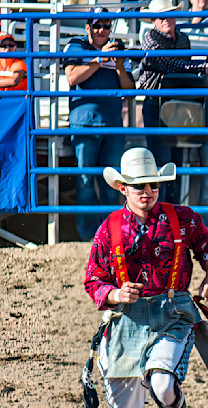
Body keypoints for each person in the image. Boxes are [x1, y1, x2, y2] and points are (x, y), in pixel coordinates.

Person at [83, 148, 208, 408]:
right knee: (122, 398)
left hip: (173, 310)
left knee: (162, 383)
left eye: (153, 185)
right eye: (139, 185)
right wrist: (116, 293)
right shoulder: (110, 229)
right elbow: (94, 279)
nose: (147, 192)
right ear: (124, 189)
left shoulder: (182, 218)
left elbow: (207, 246)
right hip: (128, 317)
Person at [136, 0, 208, 205]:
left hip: (178, 104)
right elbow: (166, 61)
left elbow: (179, 66)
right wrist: (201, 66)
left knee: (174, 161)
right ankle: (161, 212)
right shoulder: (151, 38)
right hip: (158, 103)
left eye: (169, 14)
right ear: (154, 20)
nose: (166, 19)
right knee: (161, 160)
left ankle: (170, 212)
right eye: (161, 16)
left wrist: (195, 67)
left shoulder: (182, 38)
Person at [63, 12, 134, 241]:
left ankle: (111, 236)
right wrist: (99, 60)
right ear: (87, 28)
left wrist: (120, 66)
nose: (102, 30)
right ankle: (88, 237)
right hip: (85, 123)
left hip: (112, 124)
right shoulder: (75, 47)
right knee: (85, 181)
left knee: (112, 184)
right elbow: (72, 78)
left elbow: (129, 90)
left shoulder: (117, 48)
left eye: (106, 26)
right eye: (97, 26)